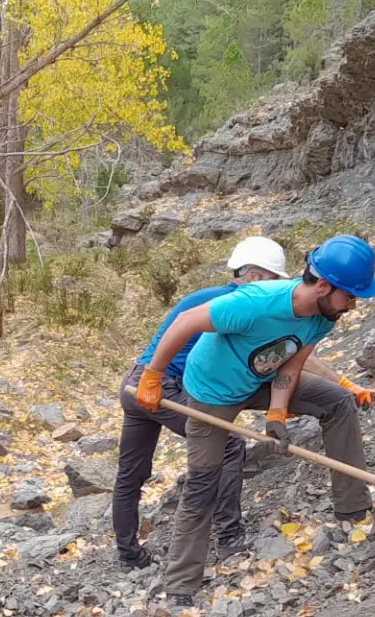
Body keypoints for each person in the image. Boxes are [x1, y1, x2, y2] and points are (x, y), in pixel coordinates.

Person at [134, 235, 375, 606]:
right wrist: (152, 375)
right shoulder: (255, 303)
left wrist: (278, 410)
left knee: (337, 401)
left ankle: (353, 511)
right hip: (211, 394)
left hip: (260, 381)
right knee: (204, 481)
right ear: (324, 287)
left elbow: (292, 362)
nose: (353, 306)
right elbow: (185, 321)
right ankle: (181, 585)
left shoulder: (323, 317)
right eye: (350, 297)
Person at [112, 236, 287, 569]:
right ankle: (230, 538)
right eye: (274, 279)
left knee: (130, 473)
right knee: (230, 444)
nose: (277, 287)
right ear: (253, 276)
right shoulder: (234, 304)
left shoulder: (214, 297)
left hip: (136, 383)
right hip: (159, 385)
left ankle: (128, 556)